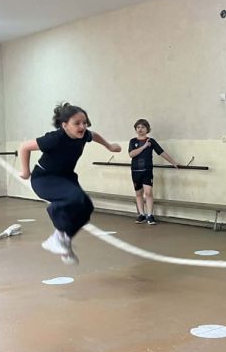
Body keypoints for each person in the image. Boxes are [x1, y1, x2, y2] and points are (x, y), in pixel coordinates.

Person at [18, 102, 121, 265]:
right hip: (45, 178)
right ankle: (56, 219)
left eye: (84, 122)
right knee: (73, 198)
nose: (82, 126)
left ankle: (63, 241)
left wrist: (109, 146)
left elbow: (94, 135)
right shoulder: (54, 138)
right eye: (77, 123)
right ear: (64, 125)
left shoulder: (84, 135)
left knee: (86, 207)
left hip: (66, 177)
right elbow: (24, 147)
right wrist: (25, 172)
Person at [128, 118, 180, 224]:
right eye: (138, 127)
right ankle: (141, 214)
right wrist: (144, 147)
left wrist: (173, 162)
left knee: (148, 193)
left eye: (143, 127)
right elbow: (131, 154)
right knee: (138, 193)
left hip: (147, 170)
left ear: (147, 129)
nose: (140, 129)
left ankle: (150, 215)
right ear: (136, 129)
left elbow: (161, 152)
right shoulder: (133, 141)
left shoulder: (151, 141)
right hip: (135, 171)